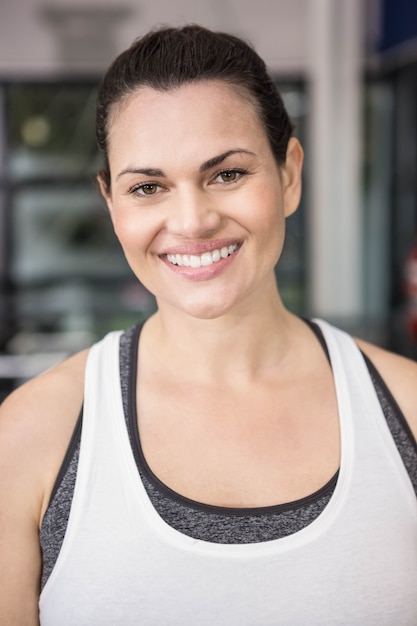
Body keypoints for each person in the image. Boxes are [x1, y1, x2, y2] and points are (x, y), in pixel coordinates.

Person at [0, 25, 416, 626]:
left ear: (289, 174)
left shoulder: (406, 412)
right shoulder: (28, 440)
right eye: (147, 187)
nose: (192, 221)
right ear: (112, 205)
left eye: (227, 174)